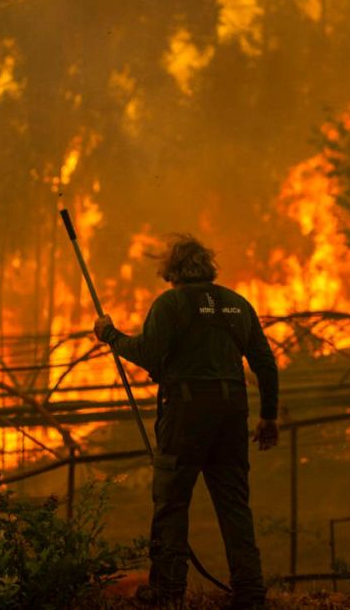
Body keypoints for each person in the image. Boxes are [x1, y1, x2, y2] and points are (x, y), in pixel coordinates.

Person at [94, 234, 280, 609]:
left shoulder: (172, 304)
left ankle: (168, 591)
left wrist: (110, 336)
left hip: (186, 412)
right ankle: (249, 590)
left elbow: (148, 353)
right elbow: (264, 363)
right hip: (232, 412)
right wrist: (268, 416)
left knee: (172, 500)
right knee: (234, 503)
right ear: (208, 266)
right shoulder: (237, 305)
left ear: (172, 271)